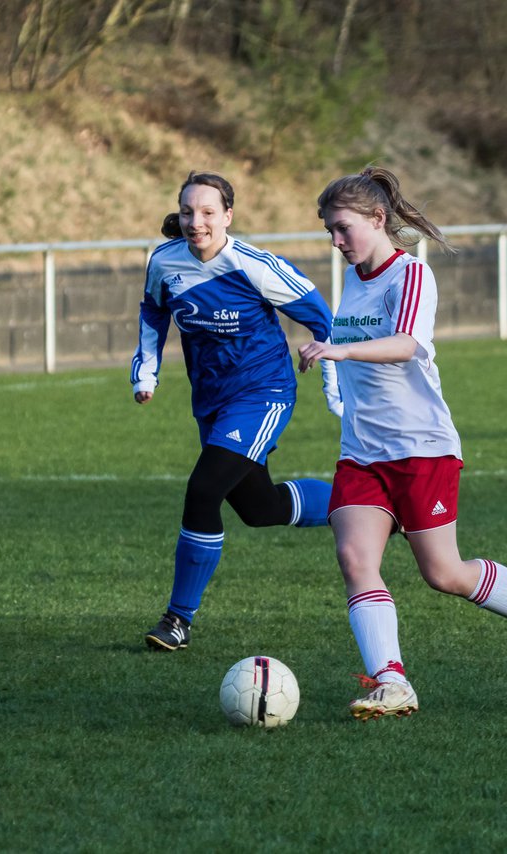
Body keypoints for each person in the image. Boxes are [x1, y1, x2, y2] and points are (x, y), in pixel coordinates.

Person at [297, 166, 507, 720]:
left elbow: (405, 344)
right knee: (355, 557)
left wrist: (340, 352)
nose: (335, 241)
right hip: (362, 451)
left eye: (342, 228)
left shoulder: (411, 276)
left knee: (443, 573)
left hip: (421, 447)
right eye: (329, 230)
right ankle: (392, 681)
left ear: (378, 220)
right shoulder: (353, 274)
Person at [131, 171, 341, 652]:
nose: (195, 222)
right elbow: (153, 313)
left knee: (203, 490)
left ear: (228, 215)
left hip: (263, 392)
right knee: (258, 507)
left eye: (207, 212)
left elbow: (324, 320)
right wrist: (146, 373)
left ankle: (177, 619)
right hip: (210, 398)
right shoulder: (165, 262)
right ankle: (370, 505)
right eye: (187, 212)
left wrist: (333, 382)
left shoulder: (255, 266)